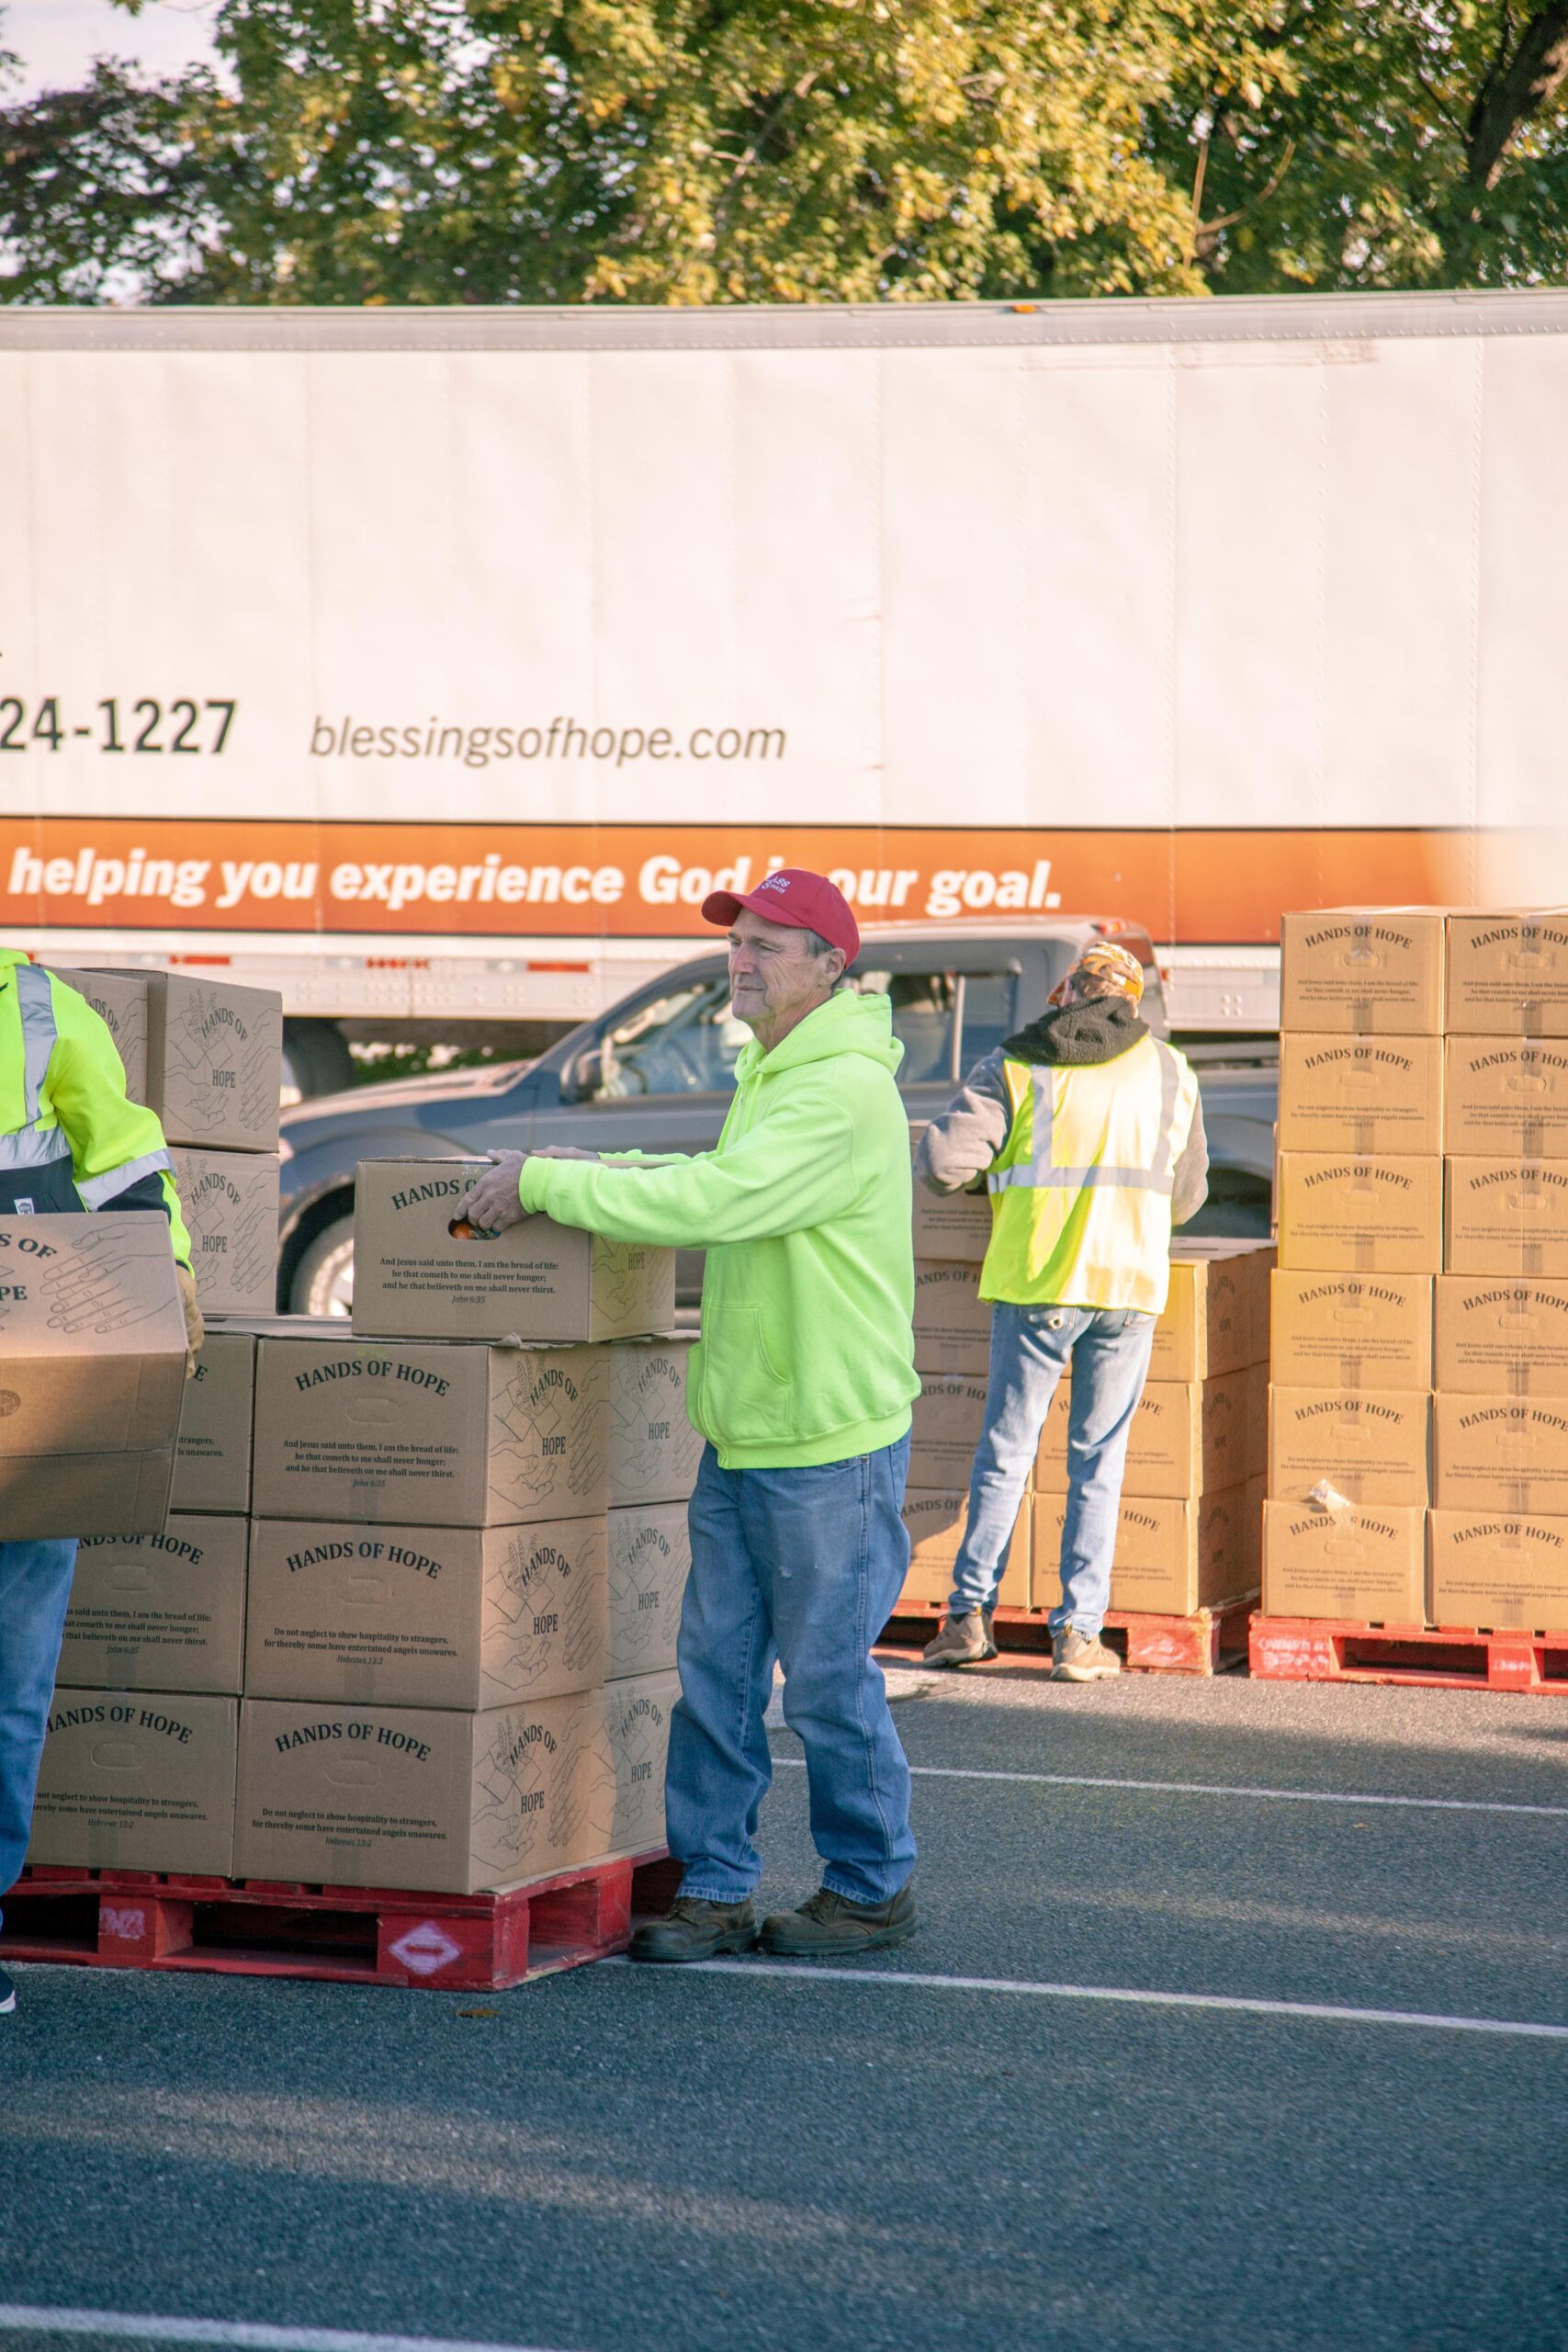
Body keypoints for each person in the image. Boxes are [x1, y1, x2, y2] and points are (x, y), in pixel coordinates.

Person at [459, 870, 921, 1963]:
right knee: (714, 1674)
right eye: (739, 941)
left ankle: (870, 1887)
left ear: (829, 966)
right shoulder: (782, 1067)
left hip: (829, 1443)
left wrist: (546, 1185)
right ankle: (714, 1885)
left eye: (769, 943)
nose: (742, 959)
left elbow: (716, 1203)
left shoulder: (838, 1090)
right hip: (754, 1430)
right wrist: (587, 1163)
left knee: (823, 1682)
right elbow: (718, 1175)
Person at [913, 940, 1208, 1680]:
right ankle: (1078, 1637)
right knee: (1097, 1463)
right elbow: (1187, 1197)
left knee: (1006, 1455)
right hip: (1127, 1291)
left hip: (1037, 1281)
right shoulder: (1171, 1071)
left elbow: (945, 1167)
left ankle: (965, 1620)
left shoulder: (1014, 1064)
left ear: (1064, 994)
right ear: (1131, 1003)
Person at [0, 955, 202, 2016]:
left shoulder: (40, 1007)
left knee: (10, 1687)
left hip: (33, 1384)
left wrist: (165, 1275)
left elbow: (124, 1163)